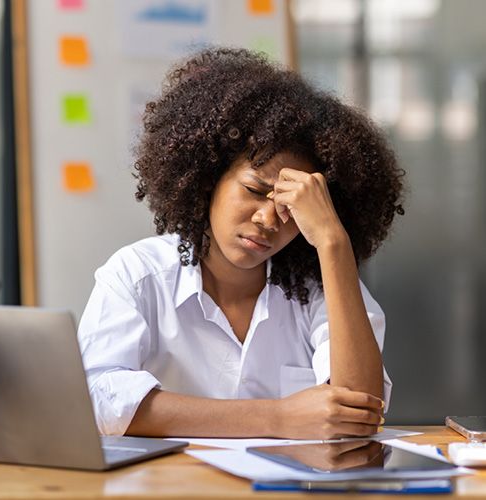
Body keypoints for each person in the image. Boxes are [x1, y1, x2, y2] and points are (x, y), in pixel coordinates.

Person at [78, 47, 405, 438]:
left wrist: (333, 242)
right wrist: (277, 418)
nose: (267, 220)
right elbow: (97, 400)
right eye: (253, 190)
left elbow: (358, 415)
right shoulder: (137, 276)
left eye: (290, 208)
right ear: (208, 177)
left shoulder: (320, 288)